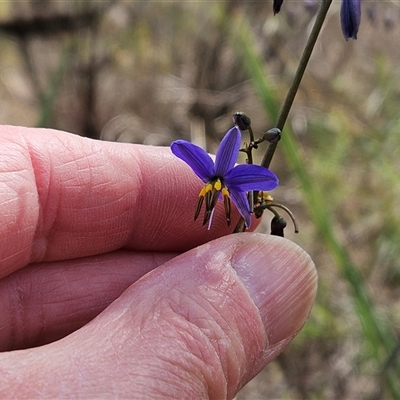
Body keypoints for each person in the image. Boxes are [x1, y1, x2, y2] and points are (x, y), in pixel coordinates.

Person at [0, 125, 317, 398]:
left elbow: (249, 203)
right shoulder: (222, 177)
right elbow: (188, 151)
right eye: (212, 190)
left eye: (216, 190)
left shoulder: (233, 186)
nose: (214, 191)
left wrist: (242, 208)